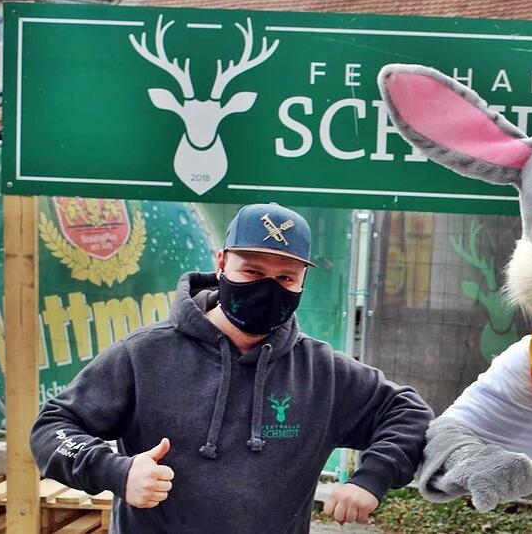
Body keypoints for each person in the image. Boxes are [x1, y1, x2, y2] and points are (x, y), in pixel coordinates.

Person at [30, 202, 434, 533]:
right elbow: (53, 426)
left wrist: (371, 479)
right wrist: (115, 471)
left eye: (286, 277)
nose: (268, 287)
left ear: (302, 282)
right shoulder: (144, 355)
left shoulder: (321, 373)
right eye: (252, 271)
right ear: (221, 262)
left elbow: (407, 412)